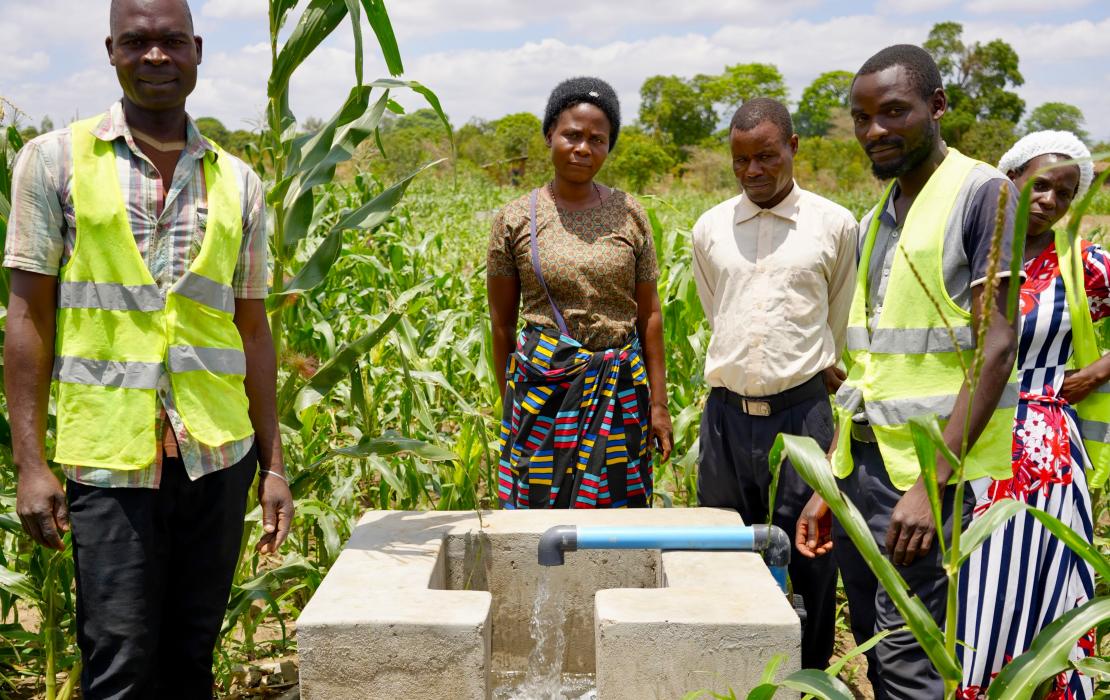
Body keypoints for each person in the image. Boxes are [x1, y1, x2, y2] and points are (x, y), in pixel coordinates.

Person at [4, 0, 293, 696]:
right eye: (137, 42)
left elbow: (252, 328)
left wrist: (275, 464)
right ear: (111, 50)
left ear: (197, 49)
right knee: (121, 662)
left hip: (217, 456)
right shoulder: (52, 161)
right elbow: (27, 318)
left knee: (192, 657)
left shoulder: (239, 180)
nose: (155, 57)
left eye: (170, 42)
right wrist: (30, 464)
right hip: (108, 458)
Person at [795, 44, 1019, 698]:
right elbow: (870, 369)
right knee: (871, 645)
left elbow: (995, 346)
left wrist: (933, 481)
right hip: (863, 471)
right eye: (863, 118)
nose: (875, 131)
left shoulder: (982, 192)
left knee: (909, 662)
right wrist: (830, 482)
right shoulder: (876, 219)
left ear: (938, 106)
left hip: (925, 477)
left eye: (894, 111)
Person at [692, 97, 856, 670]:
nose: (753, 171)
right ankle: (727, 673)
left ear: (794, 148)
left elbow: (836, 319)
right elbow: (719, 311)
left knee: (809, 559)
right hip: (726, 420)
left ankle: (803, 679)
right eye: (740, 161)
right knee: (718, 552)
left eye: (765, 156)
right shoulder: (710, 227)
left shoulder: (834, 224)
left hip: (803, 418)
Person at [957, 131, 1100, 699]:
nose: (1048, 201)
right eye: (1038, 185)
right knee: (975, 589)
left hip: (1049, 453)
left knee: (1045, 590)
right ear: (1008, 181)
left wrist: (1095, 373)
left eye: (1063, 194)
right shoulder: (972, 253)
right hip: (973, 438)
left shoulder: (1082, 264)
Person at [487, 77, 672, 509]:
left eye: (598, 139)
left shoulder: (630, 213)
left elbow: (650, 315)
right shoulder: (515, 219)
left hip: (619, 392)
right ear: (550, 133)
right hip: (542, 393)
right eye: (572, 134)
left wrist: (659, 405)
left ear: (609, 147)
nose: (583, 148)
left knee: (618, 519)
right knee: (537, 515)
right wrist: (511, 402)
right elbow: (501, 325)